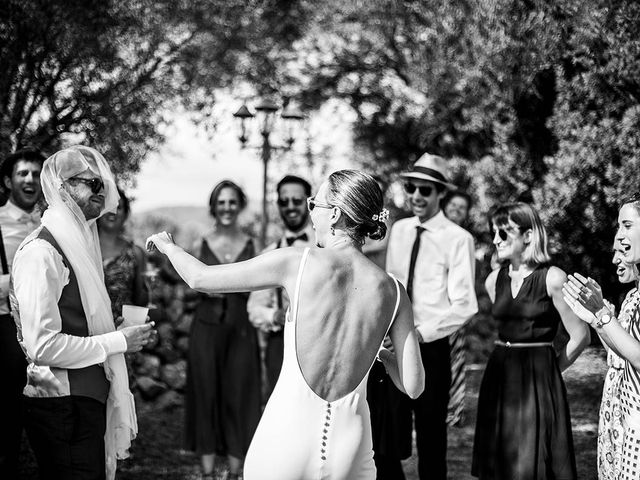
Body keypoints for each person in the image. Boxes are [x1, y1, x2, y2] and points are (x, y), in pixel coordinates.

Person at [146, 169, 425, 480]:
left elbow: (200, 278)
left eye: (313, 205)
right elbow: (414, 386)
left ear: (333, 215)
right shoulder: (394, 290)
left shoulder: (298, 262)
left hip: (286, 438)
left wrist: (169, 247)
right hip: (352, 445)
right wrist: (382, 354)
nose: (310, 214)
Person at [10, 145, 155, 480]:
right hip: (60, 402)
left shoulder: (77, 245)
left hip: (84, 398)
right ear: (63, 187)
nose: (102, 192)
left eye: (103, 184)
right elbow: (42, 347)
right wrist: (117, 341)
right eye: (92, 183)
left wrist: (117, 331)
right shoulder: (41, 253)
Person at [472, 202, 590, 480]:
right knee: (499, 463)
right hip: (498, 377)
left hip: (538, 381)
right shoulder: (493, 280)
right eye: (494, 233)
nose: (496, 239)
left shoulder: (553, 279)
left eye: (504, 233)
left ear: (528, 235)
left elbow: (581, 336)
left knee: (533, 463)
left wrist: (549, 373)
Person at [384, 153, 478, 480]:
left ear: (440, 194)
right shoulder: (398, 230)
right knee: (386, 437)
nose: (417, 196)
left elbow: (465, 305)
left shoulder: (458, 239)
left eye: (425, 190)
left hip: (431, 346)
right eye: (412, 188)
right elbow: (390, 286)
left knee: (431, 437)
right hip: (392, 345)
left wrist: (421, 334)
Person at [183, 180, 261, 479]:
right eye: (221, 202)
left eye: (232, 202)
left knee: (240, 394)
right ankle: (206, 471)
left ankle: (235, 468)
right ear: (213, 206)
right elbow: (186, 288)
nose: (226, 207)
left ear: (240, 205)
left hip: (242, 329)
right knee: (205, 393)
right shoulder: (198, 244)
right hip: (205, 329)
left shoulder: (254, 244)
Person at [563, 193, 640, 480]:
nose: (617, 239)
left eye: (627, 225)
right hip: (625, 418)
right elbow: (622, 352)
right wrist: (596, 319)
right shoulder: (634, 296)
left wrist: (603, 316)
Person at [247, 174, 314, 399]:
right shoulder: (270, 254)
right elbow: (254, 309)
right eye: (284, 202)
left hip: (321, 341)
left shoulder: (325, 249)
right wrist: (275, 316)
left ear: (309, 202)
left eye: (297, 200)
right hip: (281, 345)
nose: (290, 207)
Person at [0, 147, 45, 478]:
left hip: (47, 325)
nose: (30, 180)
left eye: (35, 174)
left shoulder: (50, 222)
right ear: (7, 181)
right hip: (6, 326)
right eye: (22, 174)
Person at [442, 190, 474, 427]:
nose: (456, 210)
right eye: (453, 205)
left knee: (455, 362)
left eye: (461, 207)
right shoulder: (432, 234)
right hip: (427, 313)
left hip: (453, 313)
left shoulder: (464, 239)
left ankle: (454, 412)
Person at [97, 187, 147, 319]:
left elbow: (140, 300)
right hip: (90, 329)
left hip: (124, 328)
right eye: (108, 206)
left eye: (119, 207)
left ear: (125, 214)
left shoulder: (136, 252)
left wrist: (150, 289)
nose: (113, 211)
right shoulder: (84, 248)